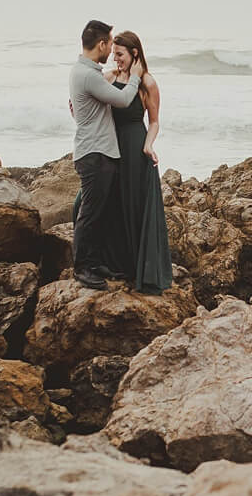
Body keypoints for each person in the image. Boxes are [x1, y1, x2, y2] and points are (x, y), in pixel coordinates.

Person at [68, 19, 142, 290]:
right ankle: (82, 268)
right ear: (100, 44)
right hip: (95, 152)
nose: (111, 49)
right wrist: (135, 76)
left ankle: (95, 261)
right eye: (109, 43)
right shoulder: (87, 75)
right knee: (90, 212)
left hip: (100, 150)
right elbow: (122, 100)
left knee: (100, 212)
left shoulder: (87, 72)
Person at [101, 30, 173, 294]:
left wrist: (148, 144)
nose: (115, 59)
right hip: (110, 145)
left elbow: (154, 122)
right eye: (113, 54)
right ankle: (115, 265)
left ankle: (140, 270)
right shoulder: (108, 77)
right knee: (112, 203)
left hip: (135, 146)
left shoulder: (148, 83)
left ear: (134, 53)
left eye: (119, 54)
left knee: (134, 205)